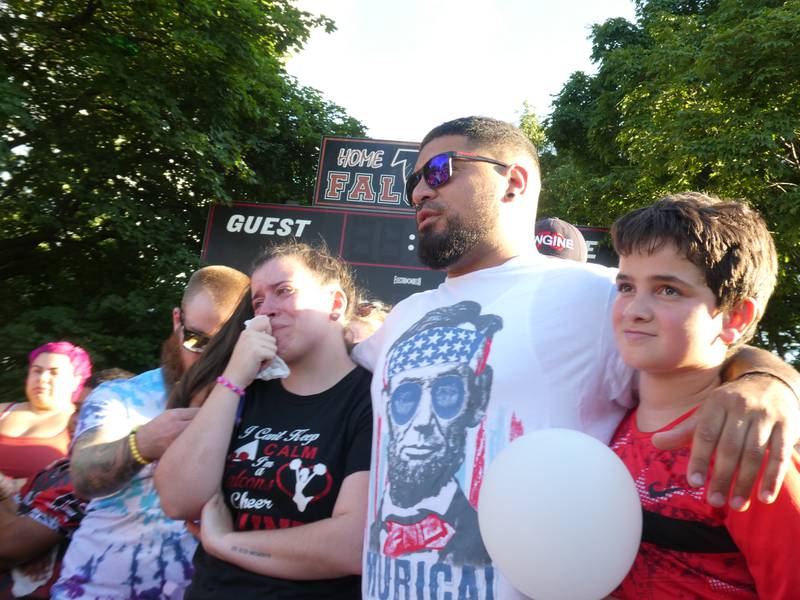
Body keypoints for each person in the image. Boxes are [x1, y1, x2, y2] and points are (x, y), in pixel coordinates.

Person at [352, 116, 800, 600]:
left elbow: (706, 337)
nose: (419, 191)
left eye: (438, 170)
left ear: (514, 181)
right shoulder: (403, 317)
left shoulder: (593, 294)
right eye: (413, 180)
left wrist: (767, 382)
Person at [608, 193, 800, 599]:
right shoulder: (611, 420)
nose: (634, 310)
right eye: (626, 286)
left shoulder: (750, 448)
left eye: (668, 290)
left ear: (734, 318)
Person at [155, 242, 372, 600]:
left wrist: (228, 543)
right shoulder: (242, 392)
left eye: (284, 291)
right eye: (257, 301)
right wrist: (234, 378)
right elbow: (177, 500)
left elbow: (351, 544)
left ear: (334, 304)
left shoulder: (370, 398)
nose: (265, 312)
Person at [50, 266, 249, 600]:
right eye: (196, 340)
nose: (208, 357)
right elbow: (83, 476)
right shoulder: (120, 396)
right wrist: (143, 443)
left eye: (224, 345)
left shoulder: (260, 409)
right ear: (176, 320)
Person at [0, 369, 134, 599]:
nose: (77, 421)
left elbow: (6, 549)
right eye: (78, 409)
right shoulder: (57, 468)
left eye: (95, 412)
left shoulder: (95, 484)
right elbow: (18, 515)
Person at [0, 342, 92, 483]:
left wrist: (14, 486)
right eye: (37, 371)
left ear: (75, 381)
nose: (42, 379)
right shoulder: (2, 410)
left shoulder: (83, 422)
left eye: (54, 372)